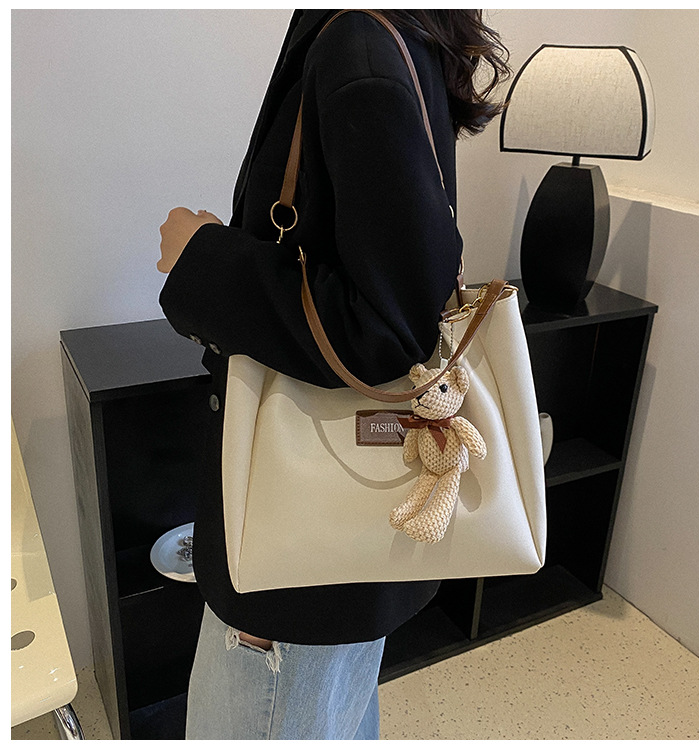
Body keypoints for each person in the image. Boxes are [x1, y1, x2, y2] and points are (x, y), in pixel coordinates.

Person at [157, 9, 510, 740]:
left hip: (294, 586)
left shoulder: (360, 46)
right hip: (330, 554)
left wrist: (203, 258)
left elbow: (386, 330)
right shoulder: (392, 34)